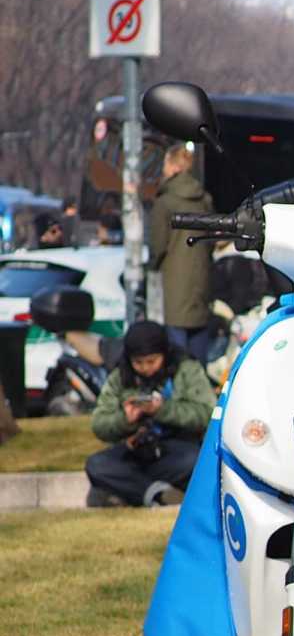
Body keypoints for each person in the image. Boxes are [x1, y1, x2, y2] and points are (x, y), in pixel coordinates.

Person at [86, 319, 214, 507]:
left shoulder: (186, 369)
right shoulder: (120, 377)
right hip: (134, 451)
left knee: (196, 460)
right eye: (138, 362)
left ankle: (131, 491)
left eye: (151, 361)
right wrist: (125, 420)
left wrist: (163, 410)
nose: (145, 368)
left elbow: (207, 413)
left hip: (176, 450)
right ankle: (157, 494)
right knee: (96, 464)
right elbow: (99, 423)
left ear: (164, 354)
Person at [149, 143, 216, 363]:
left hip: (175, 284)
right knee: (199, 355)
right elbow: (211, 241)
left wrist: (150, 269)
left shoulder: (165, 202)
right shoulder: (204, 199)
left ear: (173, 167)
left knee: (176, 355)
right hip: (202, 283)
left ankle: (180, 394)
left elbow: (158, 247)